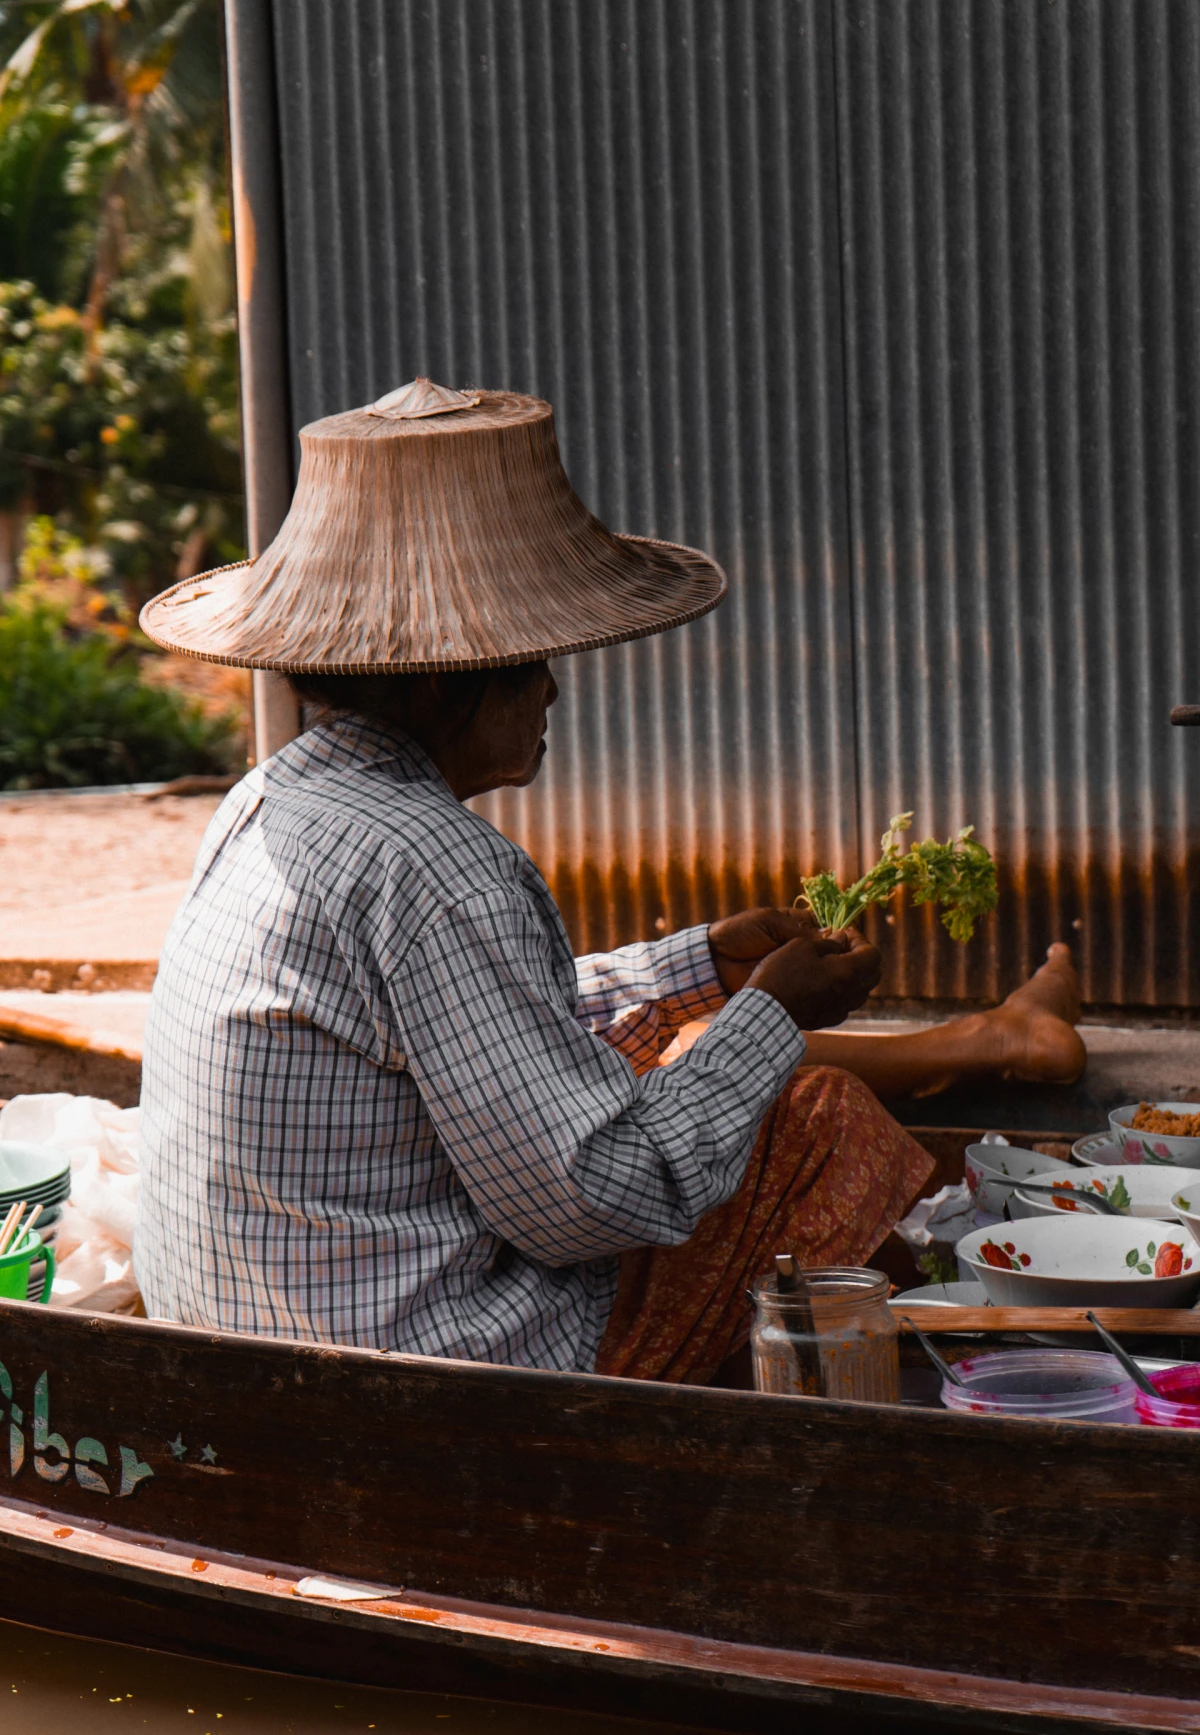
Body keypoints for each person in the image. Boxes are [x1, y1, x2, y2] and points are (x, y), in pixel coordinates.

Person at [133, 381, 1085, 1384]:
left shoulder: (269, 797)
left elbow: (481, 1026)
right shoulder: (440, 865)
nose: (551, 688)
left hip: (244, 1333)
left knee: (697, 1075)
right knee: (817, 1119)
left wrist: (701, 968)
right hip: (423, 1373)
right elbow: (601, 1198)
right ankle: (925, 1399)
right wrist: (771, 1018)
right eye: (530, 659)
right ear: (442, 673)